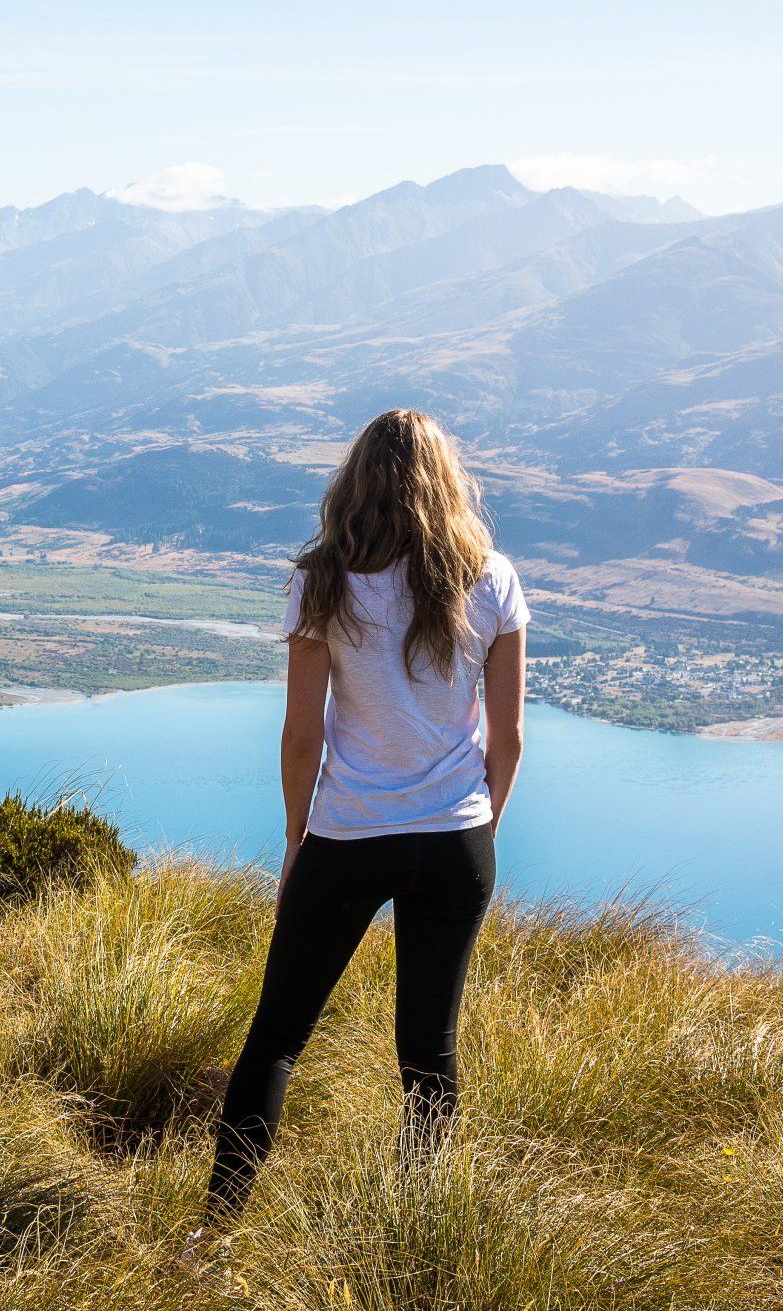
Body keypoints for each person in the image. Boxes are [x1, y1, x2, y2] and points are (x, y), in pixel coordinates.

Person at [200, 407, 528, 1224]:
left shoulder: (322, 580)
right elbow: (511, 736)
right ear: (448, 482)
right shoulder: (491, 577)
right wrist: (481, 828)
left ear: (353, 481)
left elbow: (302, 733)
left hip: (347, 837)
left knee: (276, 1039)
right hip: (455, 839)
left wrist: (292, 839)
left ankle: (213, 1234)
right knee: (428, 1054)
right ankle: (419, 1233)